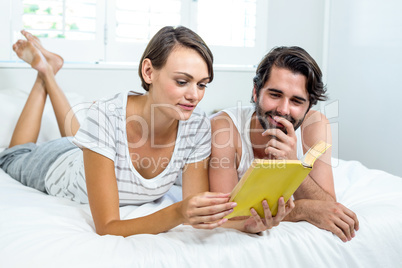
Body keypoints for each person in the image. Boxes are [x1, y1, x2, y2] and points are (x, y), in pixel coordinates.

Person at [0, 26, 244, 237]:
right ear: (148, 72)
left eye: (202, 85)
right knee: (13, 155)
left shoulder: (197, 125)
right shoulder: (106, 114)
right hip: (59, 163)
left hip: (89, 149)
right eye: (182, 81)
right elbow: (107, 227)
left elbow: (199, 210)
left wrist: (252, 223)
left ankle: (49, 70)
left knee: (81, 134)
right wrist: (178, 212)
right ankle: (45, 74)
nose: (194, 95)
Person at [209, 46, 360, 242]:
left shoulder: (315, 125)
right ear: (256, 92)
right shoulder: (223, 129)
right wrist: (301, 210)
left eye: (297, 101)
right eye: (274, 95)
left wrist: (293, 164)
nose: (283, 109)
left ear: (309, 107)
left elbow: (327, 206)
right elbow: (229, 216)